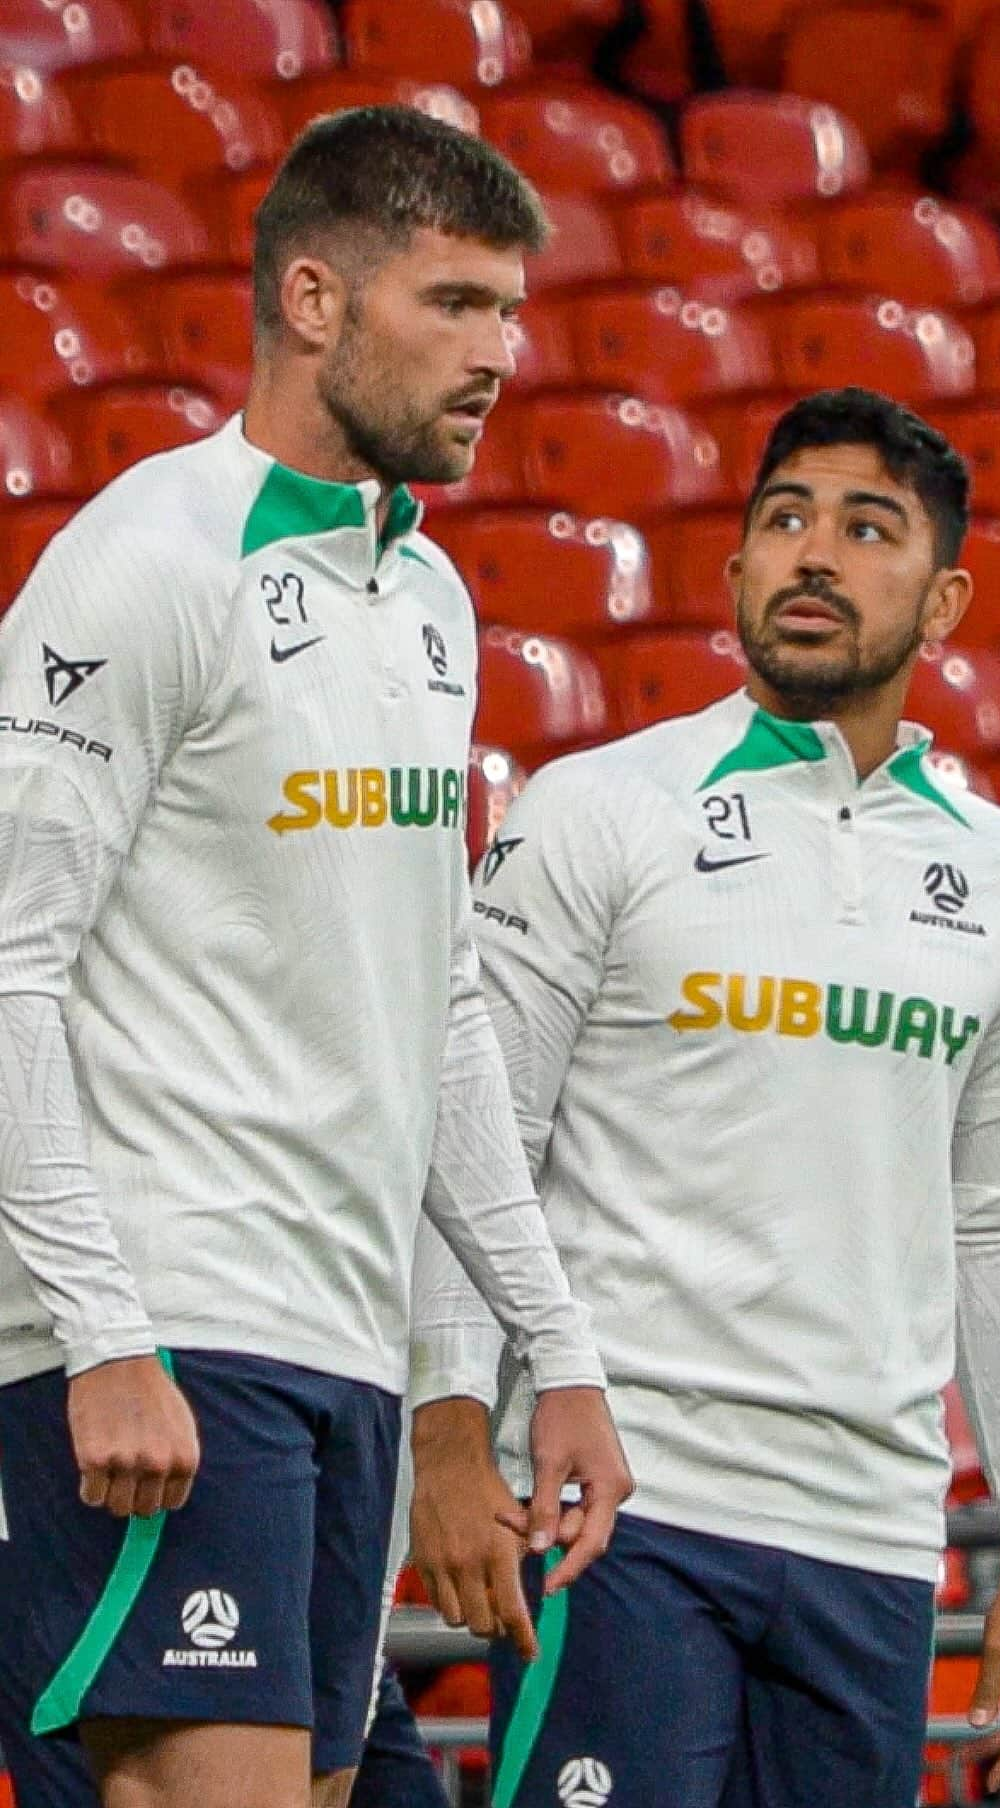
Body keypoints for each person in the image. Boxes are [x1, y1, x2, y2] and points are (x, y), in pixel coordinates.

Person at [0, 105, 632, 1808]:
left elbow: (438, 1009)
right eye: (455, 305)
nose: (501, 355)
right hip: (172, 1336)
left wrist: (550, 1349)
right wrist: (102, 1324)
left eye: (509, 310)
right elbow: (5, 966)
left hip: (339, 1344)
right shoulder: (146, 560)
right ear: (310, 299)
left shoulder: (427, 602)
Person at [409, 387, 1000, 1808]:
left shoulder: (999, 877)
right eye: (783, 520)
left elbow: (994, 1227)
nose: (812, 554)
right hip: (619, 1510)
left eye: (866, 530)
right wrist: (447, 1423)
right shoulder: (599, 808)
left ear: (941, 606)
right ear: (735, 571)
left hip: (870, 1533)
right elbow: (474, 1139)